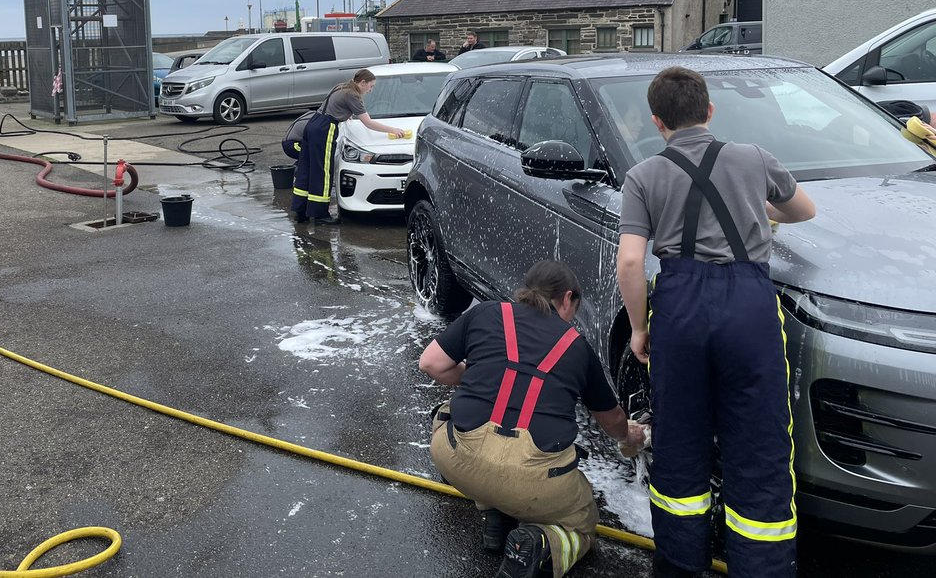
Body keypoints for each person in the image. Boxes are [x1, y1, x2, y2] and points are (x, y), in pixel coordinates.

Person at [616, 67, 816, 578]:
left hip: (679, 308)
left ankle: (682, 565)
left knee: (681, 439)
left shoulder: (643, 176)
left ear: (657, 122)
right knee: (760, 441)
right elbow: (804, 210)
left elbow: (632, 263)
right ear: (709, 111)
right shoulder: (753, 158)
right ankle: (763, 568)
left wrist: (640, 329)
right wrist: (759, 211)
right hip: (748, 305)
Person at [420, 261, 647, 578]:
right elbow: (612, 423)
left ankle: (494, 514)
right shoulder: (577, 347)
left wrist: (475, 378)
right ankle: (540, 543)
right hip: (535, 485)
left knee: (448, 413)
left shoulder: (485, 313)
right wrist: (631, 436)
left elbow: (431, 364)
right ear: (567, 299)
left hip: (458, 462)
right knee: (582, 522)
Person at [290, 69, 406, 225]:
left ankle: (300, 211)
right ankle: (319, 215)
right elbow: (368, 122)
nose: (370, 91)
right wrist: (393, 130)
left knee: (306, 168)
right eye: (370, 86)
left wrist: (346, 113)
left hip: (313, 124)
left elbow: (334, 105)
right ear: (362, 83)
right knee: (323, 172)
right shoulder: (353, 95)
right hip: (325, 129)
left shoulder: (342, 87)